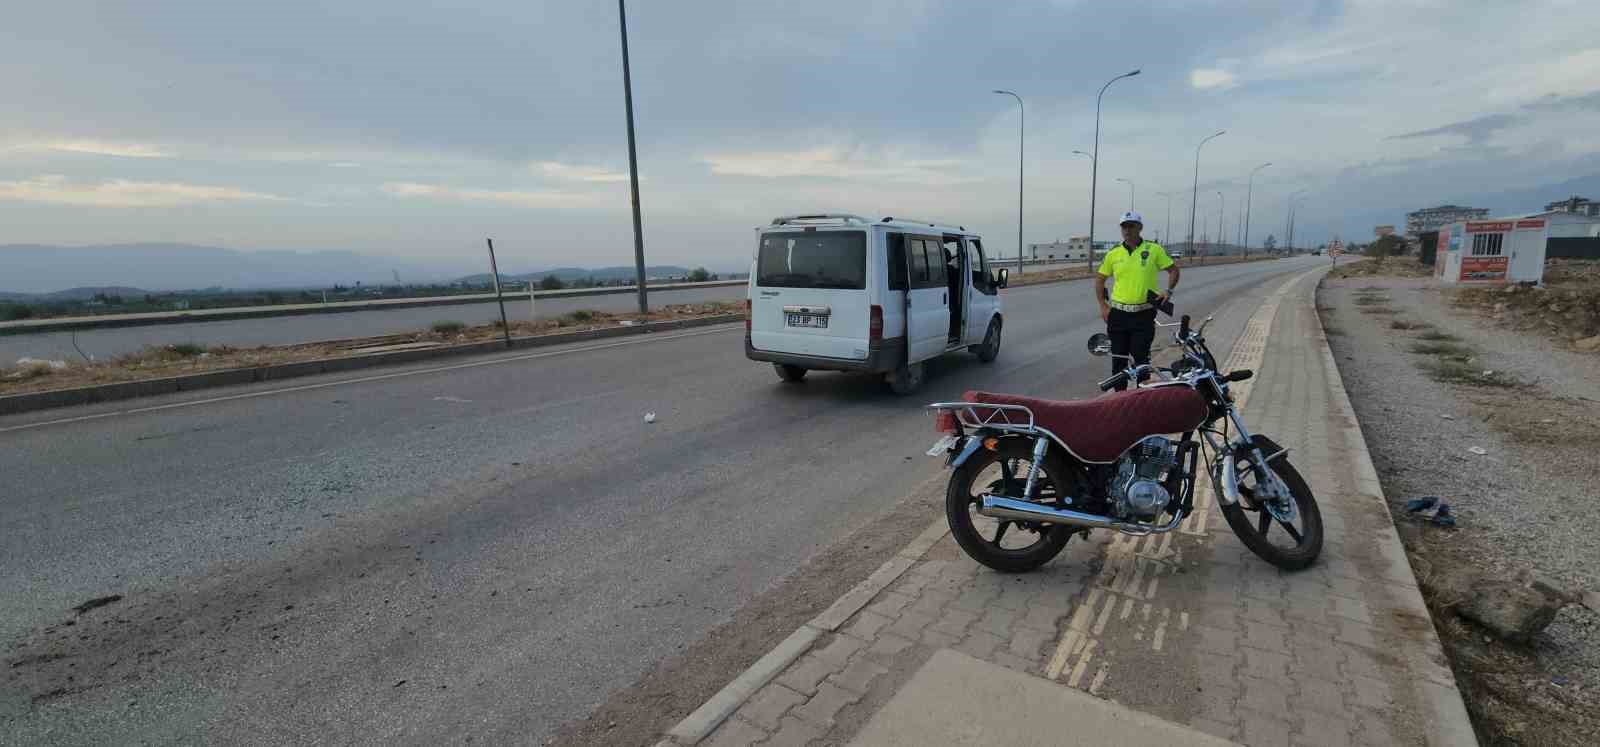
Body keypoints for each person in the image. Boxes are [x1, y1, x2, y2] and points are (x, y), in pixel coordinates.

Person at [1094, 211, 1180, 391]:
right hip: (1117, 315)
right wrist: (1103, 306)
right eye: (1124, 226)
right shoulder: (1114, 253)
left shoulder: (1153, 250)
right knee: (1119, 361)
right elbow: (1100, 279)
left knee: (1141, 360)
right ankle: (1120, 402)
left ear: (1140, 228)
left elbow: (1173, 270)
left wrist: (1168, 291)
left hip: (1144, 314)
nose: (1127, 230)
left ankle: (1142, 400)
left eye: (1131, 225)